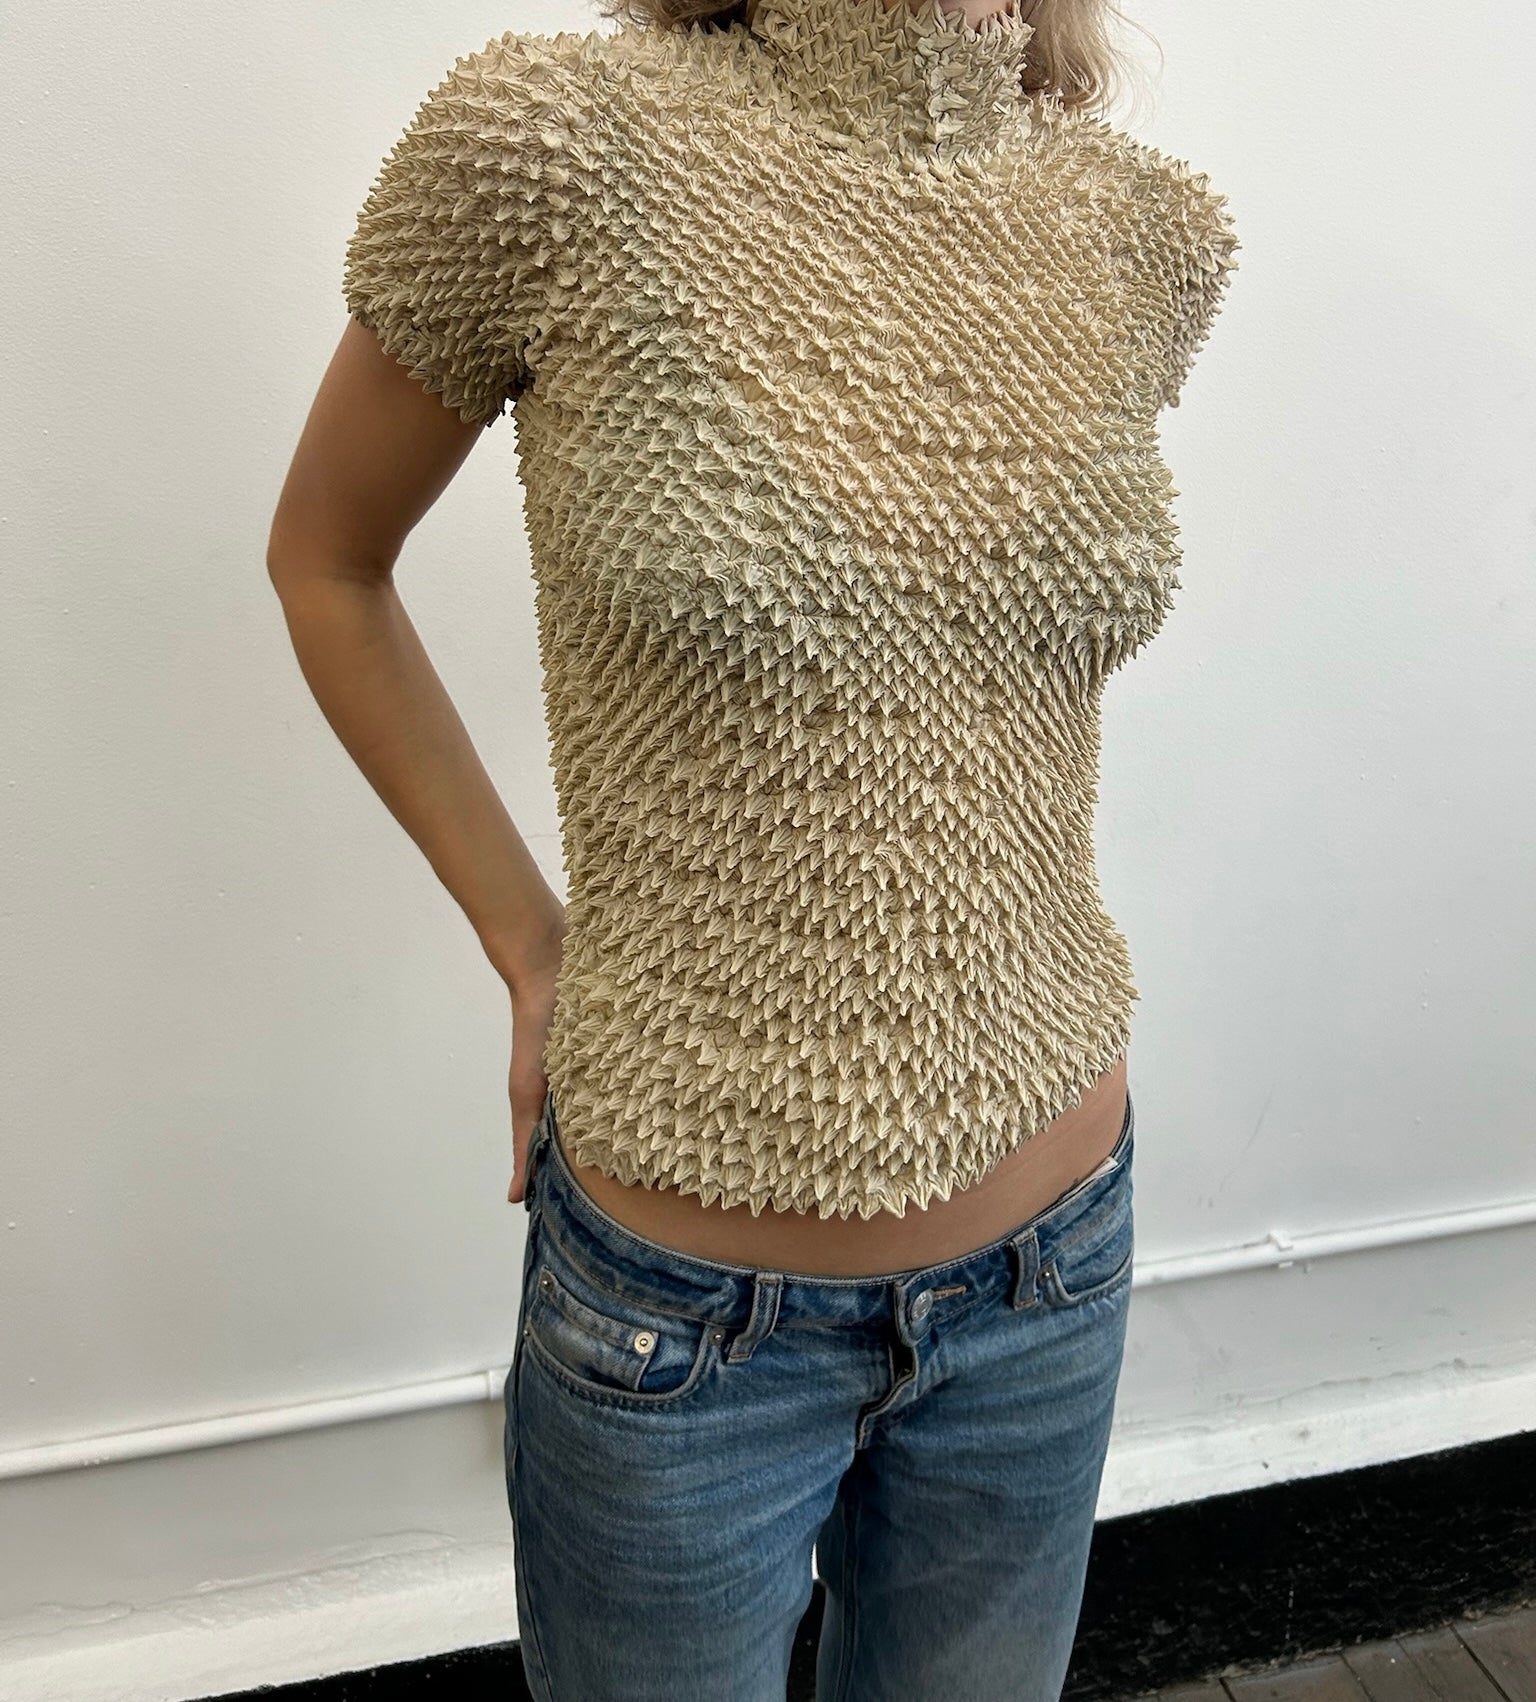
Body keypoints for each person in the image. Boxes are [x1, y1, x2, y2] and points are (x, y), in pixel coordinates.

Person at [268, 0, 1239, 1693]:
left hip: (1053, 1257)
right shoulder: (556, 145)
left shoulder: (1141, 227)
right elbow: (326, 558)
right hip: (678, 1309)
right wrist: (527, 939)